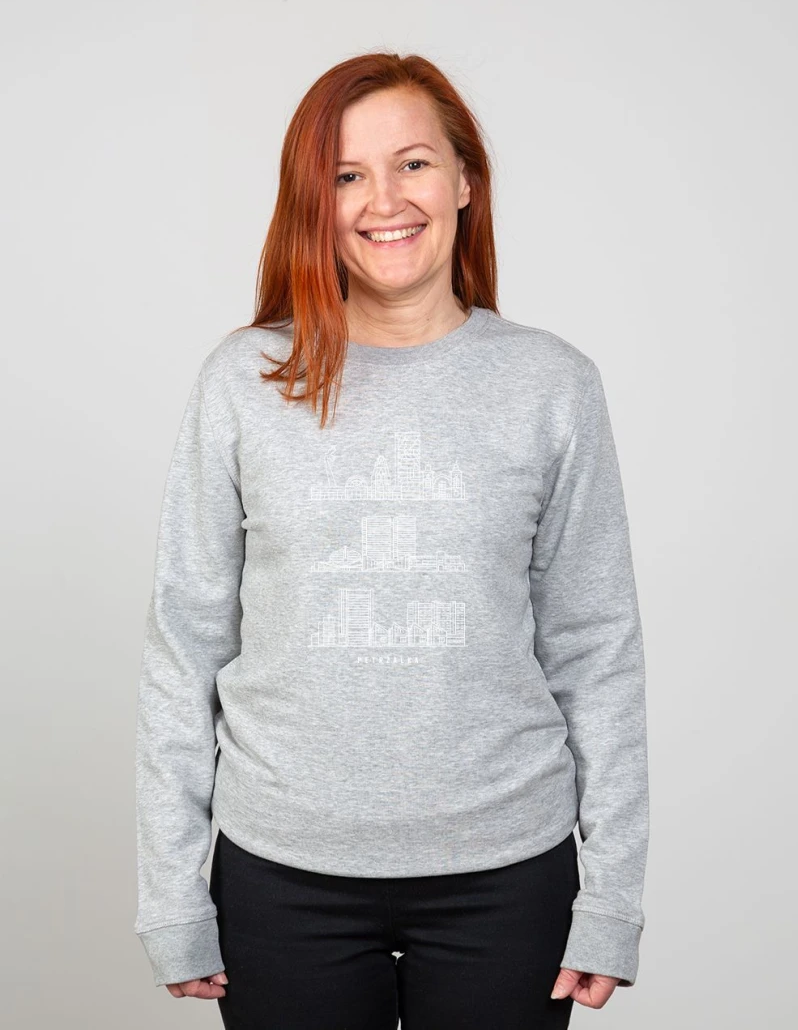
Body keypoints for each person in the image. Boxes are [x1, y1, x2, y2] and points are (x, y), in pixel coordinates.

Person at [133, 52, 650, 1029]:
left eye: (413, 163)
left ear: (465, 180)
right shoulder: (244, 381)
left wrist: (612, 897)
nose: (384, 200)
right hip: (283, 879)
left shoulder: (551, 384)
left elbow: (596, 647)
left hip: (509, 877)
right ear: (314, 202)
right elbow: (184, 643)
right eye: (346, 175)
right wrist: (171, 895)